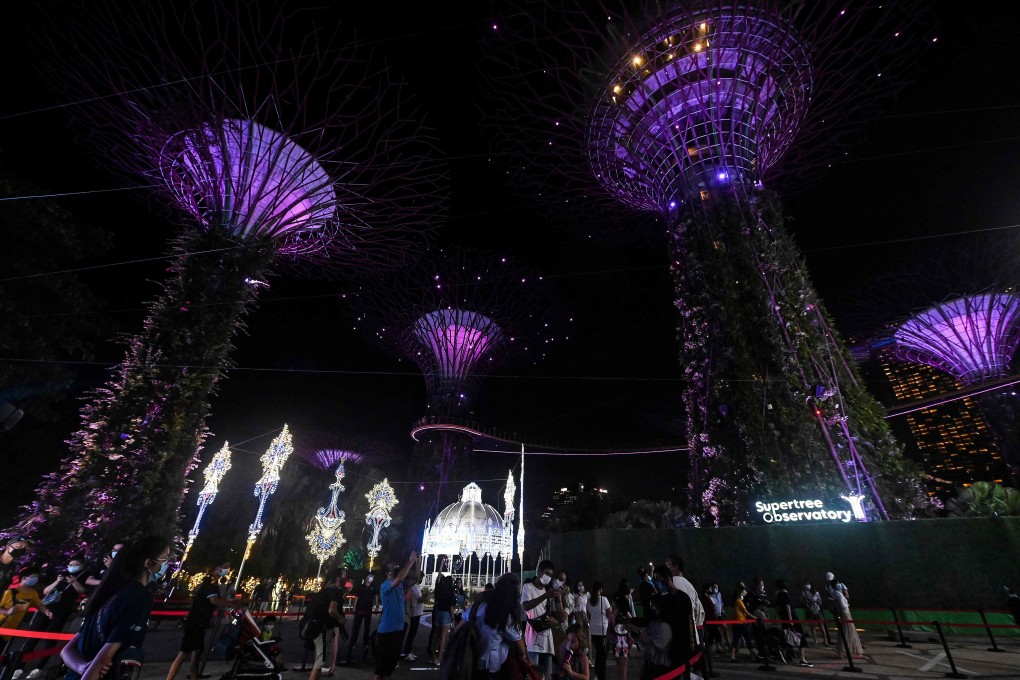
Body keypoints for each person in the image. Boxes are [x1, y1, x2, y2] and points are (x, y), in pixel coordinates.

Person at [61, 535, 170, 680]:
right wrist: (89, 670)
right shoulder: (140, 596)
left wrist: (83, 667)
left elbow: (67, 650)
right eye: (165, 559)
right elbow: (103, 659)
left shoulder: (108, 591)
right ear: (149, 563)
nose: (167, 564)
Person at [17, 555, 90, 679]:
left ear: (82, 566)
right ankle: (19, 666)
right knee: (32, 638)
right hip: (45, 609)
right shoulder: (60, 575)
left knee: (50, 640)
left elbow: (82, 591)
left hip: (61, 612)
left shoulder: (82, 577)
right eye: (70, 565)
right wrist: (57, 581)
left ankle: (39, 668)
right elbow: (46, 591)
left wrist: (74, 582)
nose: (72, 567)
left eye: (76, 565)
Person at [165, 560, 236, 680]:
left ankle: (194, 676)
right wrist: (234, 605)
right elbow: (214, 600)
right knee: (184, 653)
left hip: (200, 623)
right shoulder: (210, 583)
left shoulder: (213, 582)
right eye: (225, 567)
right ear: (217, 568)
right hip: (195, 623)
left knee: (197, 653)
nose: (227, 570)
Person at [475, 573, 536, 680]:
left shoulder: (483, 606)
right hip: (493, 665)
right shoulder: (505, 614)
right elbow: (518, 642)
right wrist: (525, 656)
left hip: (478, 660)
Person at [372, 552, 418, 680]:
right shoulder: (385, 585)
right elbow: (400, 578)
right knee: (380, 669)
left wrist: (417, 563)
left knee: (389, 667)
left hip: (398, 628)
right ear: (387, 572)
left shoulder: (400, 584)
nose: (395, 565)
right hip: (387, 630)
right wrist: (411, 561)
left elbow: (416, 579)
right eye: (392, 565)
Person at [522, 559, 561, 679]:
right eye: (546, 573)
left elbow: (552, 613)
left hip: (547, 640)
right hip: (532, 640)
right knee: (534, 674)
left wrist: (554, 621)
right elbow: (526, 606)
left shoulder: (547, 590)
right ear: (539, 571)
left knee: (547, 675)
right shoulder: (528, 587)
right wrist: (545, 595)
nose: (548, 577)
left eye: (550, 575)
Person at [309, 569, 347, 680]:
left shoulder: (326, 589)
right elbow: (332, 610)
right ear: (338, 578)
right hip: (325, 629)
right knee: (320, 662)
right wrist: (341, 619)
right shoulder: (336, 591)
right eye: (344, 575)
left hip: (317, 627)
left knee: (319, 661)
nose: (345, 578)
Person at [1, 567, 53, 637]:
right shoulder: (9, 592)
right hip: (2, 624)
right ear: (25, 578)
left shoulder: (33, 593)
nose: (36, 579)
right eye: (34, 577)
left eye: (37, 577)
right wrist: (7, 611)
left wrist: (46, 611)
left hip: (12, 629)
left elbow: (39, 604)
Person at [666, 556, 704, 645]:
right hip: (692, 635)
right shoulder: (690, 586)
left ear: (675, 567)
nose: (666, 568)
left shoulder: (672, 583)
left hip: (677, 636)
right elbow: (699, 612)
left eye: (668, 565)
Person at [774, 579, 813, 667]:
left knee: (787, 636)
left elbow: (778, 607)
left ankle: (782, 651)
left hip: (784, 618)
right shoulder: (784, 594)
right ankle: (802, 659)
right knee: (800, 636)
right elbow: (787, 606)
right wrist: (791, 619)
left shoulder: (779, 595)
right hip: (791, 618)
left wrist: (776, 617)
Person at [826, 576, 863, 659]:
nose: (839, 585)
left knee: (844, 632)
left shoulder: (834, 593)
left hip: (843, 613)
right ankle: (843, 651)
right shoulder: (838, 594)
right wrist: (847, 605)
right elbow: (843, 605)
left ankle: (843, 651)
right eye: (838, 583)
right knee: (849, 632)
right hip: (846, 613)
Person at [346, 573, 377, 664]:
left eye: (372, 576)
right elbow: (356, 597)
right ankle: (353, 643)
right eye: (370, 576)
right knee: (356, 626)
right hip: (360, 609)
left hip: (368, 609)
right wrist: (354, 607)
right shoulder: (361, 587)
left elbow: (375, 596)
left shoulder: (373, 587)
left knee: (367, 627)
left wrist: (376, 605)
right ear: (366, 578)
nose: (371, 578)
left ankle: (365, 643)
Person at [638, 596, 671, 680]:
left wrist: (643, 636)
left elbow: (658, 644)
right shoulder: (655, 622)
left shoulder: (664, 625)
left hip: (660, 665)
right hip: (652, 663)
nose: (651, 607)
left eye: (652, 604)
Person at [585, 581, 612, 680]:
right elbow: (609, 613)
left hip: (593, 630)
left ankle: (597, 674)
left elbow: (588, 614)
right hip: (603, 630)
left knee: (598, 653)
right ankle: (601, 676)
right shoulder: (604, 599)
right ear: (600, 589)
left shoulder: (589, 601)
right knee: (603, 655)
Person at [431, 574, 456, 665]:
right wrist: (453, 619)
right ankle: (439, 658)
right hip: (446, 614)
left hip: (438, 612)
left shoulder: (439, 589)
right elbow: (451, 607)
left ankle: (433, 656)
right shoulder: (450, 591)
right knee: (443, 636)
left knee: (435, 635)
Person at [401, 571, 425, 660]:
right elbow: (418, 599)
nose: (421, 579)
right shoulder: (413, 588)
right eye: (420, 577)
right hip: (413, 613)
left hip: (417, 612)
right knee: (411, 633)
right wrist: (426, 596)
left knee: (412, 633)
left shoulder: (416, 587)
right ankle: (406, 651)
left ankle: (408, 651)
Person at [729, 584, 755, 662]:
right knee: (747, 638)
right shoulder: (739, 601)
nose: (745, 592)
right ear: (740, 593)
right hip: (741, 622)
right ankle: (752, 656)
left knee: (736, 638)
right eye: (744, 590)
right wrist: (754, 617)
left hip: (735, 622)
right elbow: (745, 611)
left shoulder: (736, 601)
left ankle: (732, 656)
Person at [799, 579, 827, 645]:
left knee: (819, 626)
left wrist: (813, 601)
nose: (807, 585)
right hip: (811, 611)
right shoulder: (804, 592)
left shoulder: (815, 592)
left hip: (816, 611)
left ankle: (824, 640)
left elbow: (820, 601)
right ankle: (816, 640)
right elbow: (802, 601)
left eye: (808, 584)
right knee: (814, 626)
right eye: (806, 584)